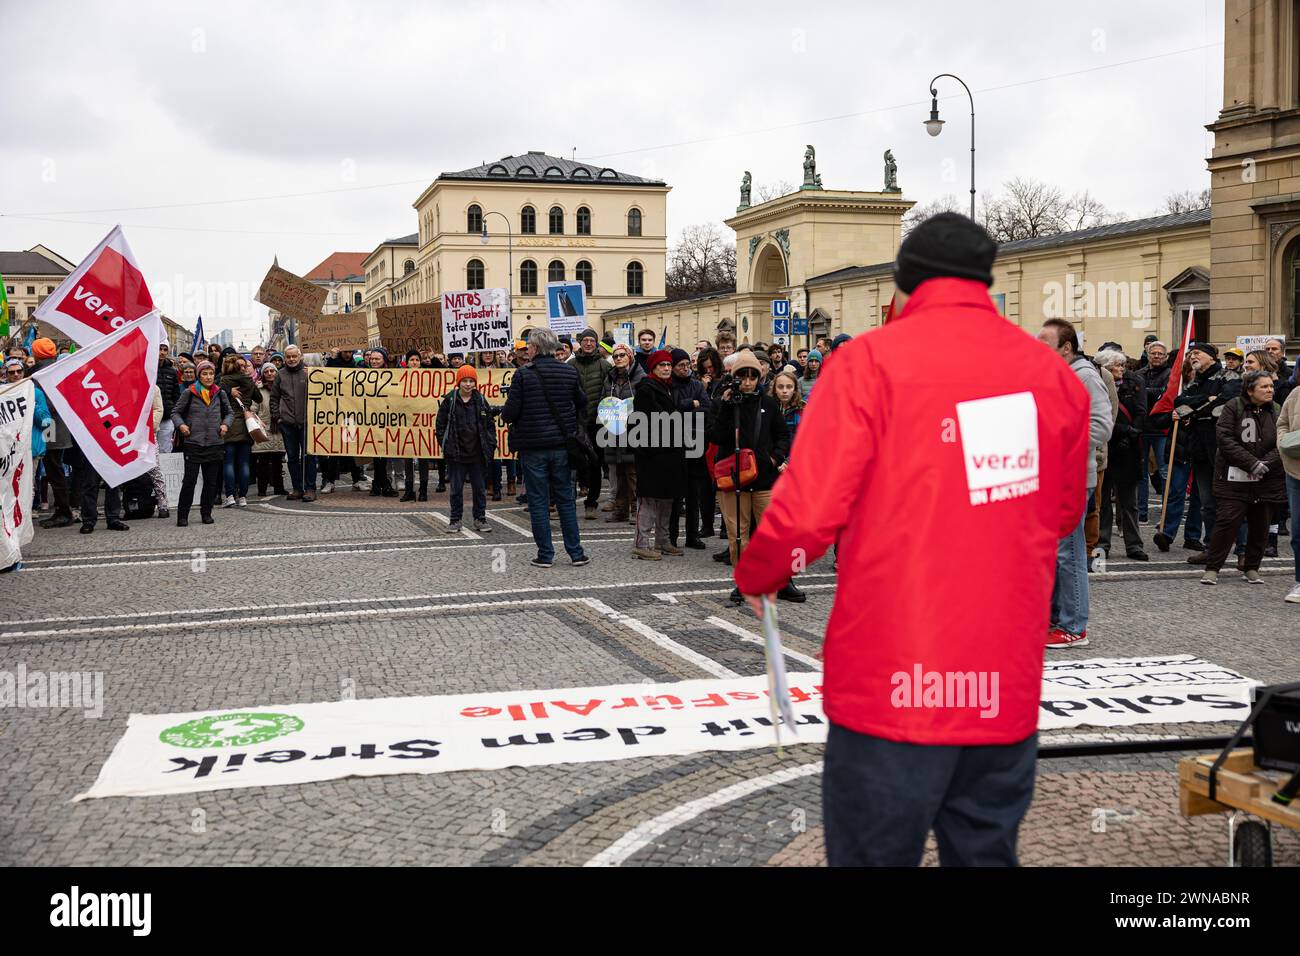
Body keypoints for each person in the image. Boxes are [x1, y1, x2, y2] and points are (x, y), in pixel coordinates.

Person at [735, 213, 1090, 866]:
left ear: (901, 284)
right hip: (1000, 675)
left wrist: (758, 572)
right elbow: (1065, 513)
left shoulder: (866, 362)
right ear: (986, 281)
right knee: (985, 852)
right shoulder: (1051, 375)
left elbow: (807, 511)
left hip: (891, 672)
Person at [1037, 318, 1112, 649]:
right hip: (1051, 476)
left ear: (1065, 347)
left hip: (1070, 477)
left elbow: (1101, 425)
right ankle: (1056, 619)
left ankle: (1074, 626)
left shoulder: (1084, 377)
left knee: (1069, 552)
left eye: (1044, 343)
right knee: (1054, 553)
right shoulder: (1058, 374)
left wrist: (1058, 443)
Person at [499, 327, 589, 568]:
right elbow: (582, 402)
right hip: (562, 444)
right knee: (566, 500)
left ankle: (545, 555)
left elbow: (511, 413)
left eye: (528, 345)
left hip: (534, 446)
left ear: (536, 348)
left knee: (538, 501)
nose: (527, 349)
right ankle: (576, 553)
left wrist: (504, 410)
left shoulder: (523, 375)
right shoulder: (569, 372)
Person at [707, 349, 793, 601]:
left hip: (764, 478)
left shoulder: (767, 403)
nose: (747, 382)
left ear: (758, 378)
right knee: (737, 534)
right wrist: (725, 406)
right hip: (733, 478)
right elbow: (714, 436)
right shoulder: (724, 402)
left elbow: (781, 434)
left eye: (752, 377)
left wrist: (775, 457)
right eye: (742, 377)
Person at [1200, 370, 1285, 585]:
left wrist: (1265, 463)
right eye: (1264, 387)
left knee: (1260, 525)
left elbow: (1284, 438)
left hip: (1266, 479)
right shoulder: (1233, 407)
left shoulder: (1276, 410)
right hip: (1233, 479)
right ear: (1250, 390)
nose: (1270, 390)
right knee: (1227, 522)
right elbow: (1225, 438)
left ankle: (1252, 567)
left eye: (1271, 386)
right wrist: (1251, 463)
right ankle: (1213, 568)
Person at [1176, 343, 1242, 566]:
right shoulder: (1195, 381)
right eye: (1191, 354)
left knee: (1232, 499)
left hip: (1221, 446)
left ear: (1212, 358)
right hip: (1199, 447)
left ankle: (1242, 551)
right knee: (1207, 502)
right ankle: (1211, 548)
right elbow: (1180, 404)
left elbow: (1226, 404)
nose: (1192, 356)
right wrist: (1206, 402)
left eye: (1197, 353)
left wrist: (1196, 409)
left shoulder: (1229, 376)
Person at [631, 350, 686, 559]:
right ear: (653, 368)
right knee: (649, 500)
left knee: (667, 499)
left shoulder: (669, 387)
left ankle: (662, 540)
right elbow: (652, 420)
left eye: (668, 365)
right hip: (652, 453)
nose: (666, 368)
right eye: (662, 365)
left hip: (670, 452)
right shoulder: (647, 389)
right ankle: (641, 543)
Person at [1095, 349, 1148, 560]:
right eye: (1117, 366)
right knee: (1104, 500)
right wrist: (1123, 431)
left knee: (1129, 502)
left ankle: (1134, 544)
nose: (1122, 369)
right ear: (1107, 368)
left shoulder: (1135, 382)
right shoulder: (1098, 383)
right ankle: (1102, 542)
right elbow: (1102, 415)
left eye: (1123, 365)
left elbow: (1142, 410)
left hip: (1129, 448)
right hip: (1107, 445)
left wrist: (1133, 432)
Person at [436, 364, 497, 533]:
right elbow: (440, 425)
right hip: (456, 453)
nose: (468, 384)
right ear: (459, 382)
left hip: (477, 454)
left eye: (471, 381)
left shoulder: (481, 400)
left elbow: (490, 425)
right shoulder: (450, 401)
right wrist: (444, 443)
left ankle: (480, 518)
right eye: (465, 381)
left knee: (479, 489)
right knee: (456, 490)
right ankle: (455, 520)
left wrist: (490, 444)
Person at [171, 360, 233, 526]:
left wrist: (225, 424)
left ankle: (206, 513)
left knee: (211, 482)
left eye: (211, 373)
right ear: (199, 375)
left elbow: (229, 413)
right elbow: (176, 412)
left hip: (214, 442)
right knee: (190, 481)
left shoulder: (220, 393)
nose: (208, 377)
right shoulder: (189, 392)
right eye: (204, 374)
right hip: (194, 442)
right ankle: (182, 515)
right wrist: (182, 425)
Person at [668, 347, 711, 550]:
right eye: (681, 365)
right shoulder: (669, 386)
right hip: (675, 444)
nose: (685, 368)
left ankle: (693, 535)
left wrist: (688, 408)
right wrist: (690, 404)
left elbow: (707, 408)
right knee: (676, 495)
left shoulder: (696, 385)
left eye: (687, 364)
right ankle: (672, 536)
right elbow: (671, 412)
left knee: (694, 494)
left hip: (696, 443)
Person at [32, 339, 76, 529]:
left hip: (50, 426)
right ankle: (62, 509)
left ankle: (63, 512)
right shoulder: (59, 368)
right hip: (58, 424)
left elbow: (47, 404)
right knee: (54, 467)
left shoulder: (39, 373)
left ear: (36, 354)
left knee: (53, 468)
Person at [601, 343, 644, 525]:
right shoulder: (609, 378)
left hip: (634, 431)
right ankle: (620, 510)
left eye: (622, 355)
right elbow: (603, 400)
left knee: (633, 472)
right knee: (618, 471)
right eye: (616, 356)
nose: (618, 358)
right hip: (614, 429)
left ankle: (636, 509)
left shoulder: (640, 378)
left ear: (630, 357)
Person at [269, 345, 317, 502]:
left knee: (309, 456)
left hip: (307, 422)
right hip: (288, 423)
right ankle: (297, 488)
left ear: (300, 356)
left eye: (294, 356)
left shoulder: (309, 372)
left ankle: (310, 488)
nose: (291, 359)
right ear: (285, 357)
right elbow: (274, 397)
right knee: (292, 457)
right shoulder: (280, 375)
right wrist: (277, 416)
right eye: (288, 357)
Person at [572, 328, 608, 520]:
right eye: (585, 340)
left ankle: (591, 503)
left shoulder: (603, 365)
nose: (588, 344)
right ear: (580, 342)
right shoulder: (571, 364)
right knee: (578, 460)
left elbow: (609, 391)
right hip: (577, 421)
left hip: (597, 422)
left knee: (596, 462)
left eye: (591, 341)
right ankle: (579, 489)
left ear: (596, 344)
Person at [219, 353, 261, 508]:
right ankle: (243, 497)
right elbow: (259, 399)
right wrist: (251, 384)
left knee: (228, 462)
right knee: (244, 463)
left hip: (227, 424)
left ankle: (230, 496)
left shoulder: (223, 381)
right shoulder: (248, 380)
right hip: (245, 425)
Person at [1136, 340, 1170, 523]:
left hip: (1161, 428)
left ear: (1165, 357)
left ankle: (1166, 513)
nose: (1156, 356)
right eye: (1153, 353)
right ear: (1148, 355)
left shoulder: (1170, 374)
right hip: (1142, 428)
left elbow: (1163, 394)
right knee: (1140, 473)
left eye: (1160, 354)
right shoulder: (1139, 373)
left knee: (1164, 472)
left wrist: (1144, 391)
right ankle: (1141, 513)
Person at [1276, 377, 1300, 603]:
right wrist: (1284, 442)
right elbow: (1282, 423)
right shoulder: (1295, 394)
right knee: (1298, 531)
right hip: (1296, 470)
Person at [250, 363, 286, 497]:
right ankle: (262, 489)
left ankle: (279, 487)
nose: (270, 373)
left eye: (272, 371)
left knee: (278, 462)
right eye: (267, 371)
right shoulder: (258, 390)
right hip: (264, 429)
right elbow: (253, 409)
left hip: (279, 429)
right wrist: (259, 422)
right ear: (263, 374)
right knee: (263, 462)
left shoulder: (283, 388)